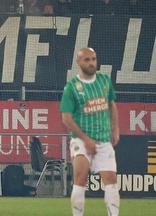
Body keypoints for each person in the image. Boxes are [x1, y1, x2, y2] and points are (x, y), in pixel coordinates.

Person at [60, 47, 120, 216]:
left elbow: (111, 105)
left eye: (93, 59)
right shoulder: (71, 87)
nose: (91, 63)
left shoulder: (104, 81)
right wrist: (86, 140)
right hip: (80, 141)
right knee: (80, 180)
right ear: (79, 63)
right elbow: (66, 119)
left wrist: (115, 128)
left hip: (103, 140)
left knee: (111, 180)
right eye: (87, 60)